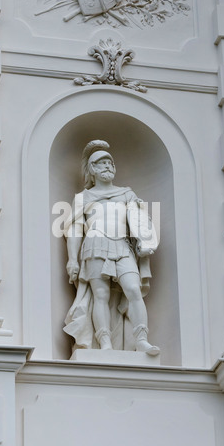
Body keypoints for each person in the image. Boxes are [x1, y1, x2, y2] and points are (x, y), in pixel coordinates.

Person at [63, 140, 160, 356]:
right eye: (101, 163)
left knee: (133, 289)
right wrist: (72, 259)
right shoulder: (83, 198)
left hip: (122, 245)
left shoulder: (126, 194)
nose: (107, 166)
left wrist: (144, 240)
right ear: (92, 169)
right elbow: (75, 230)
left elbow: (140, 222)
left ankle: (141, 339)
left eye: (110, 162)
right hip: (95, 245)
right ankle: (105, 342)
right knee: (100, 294)